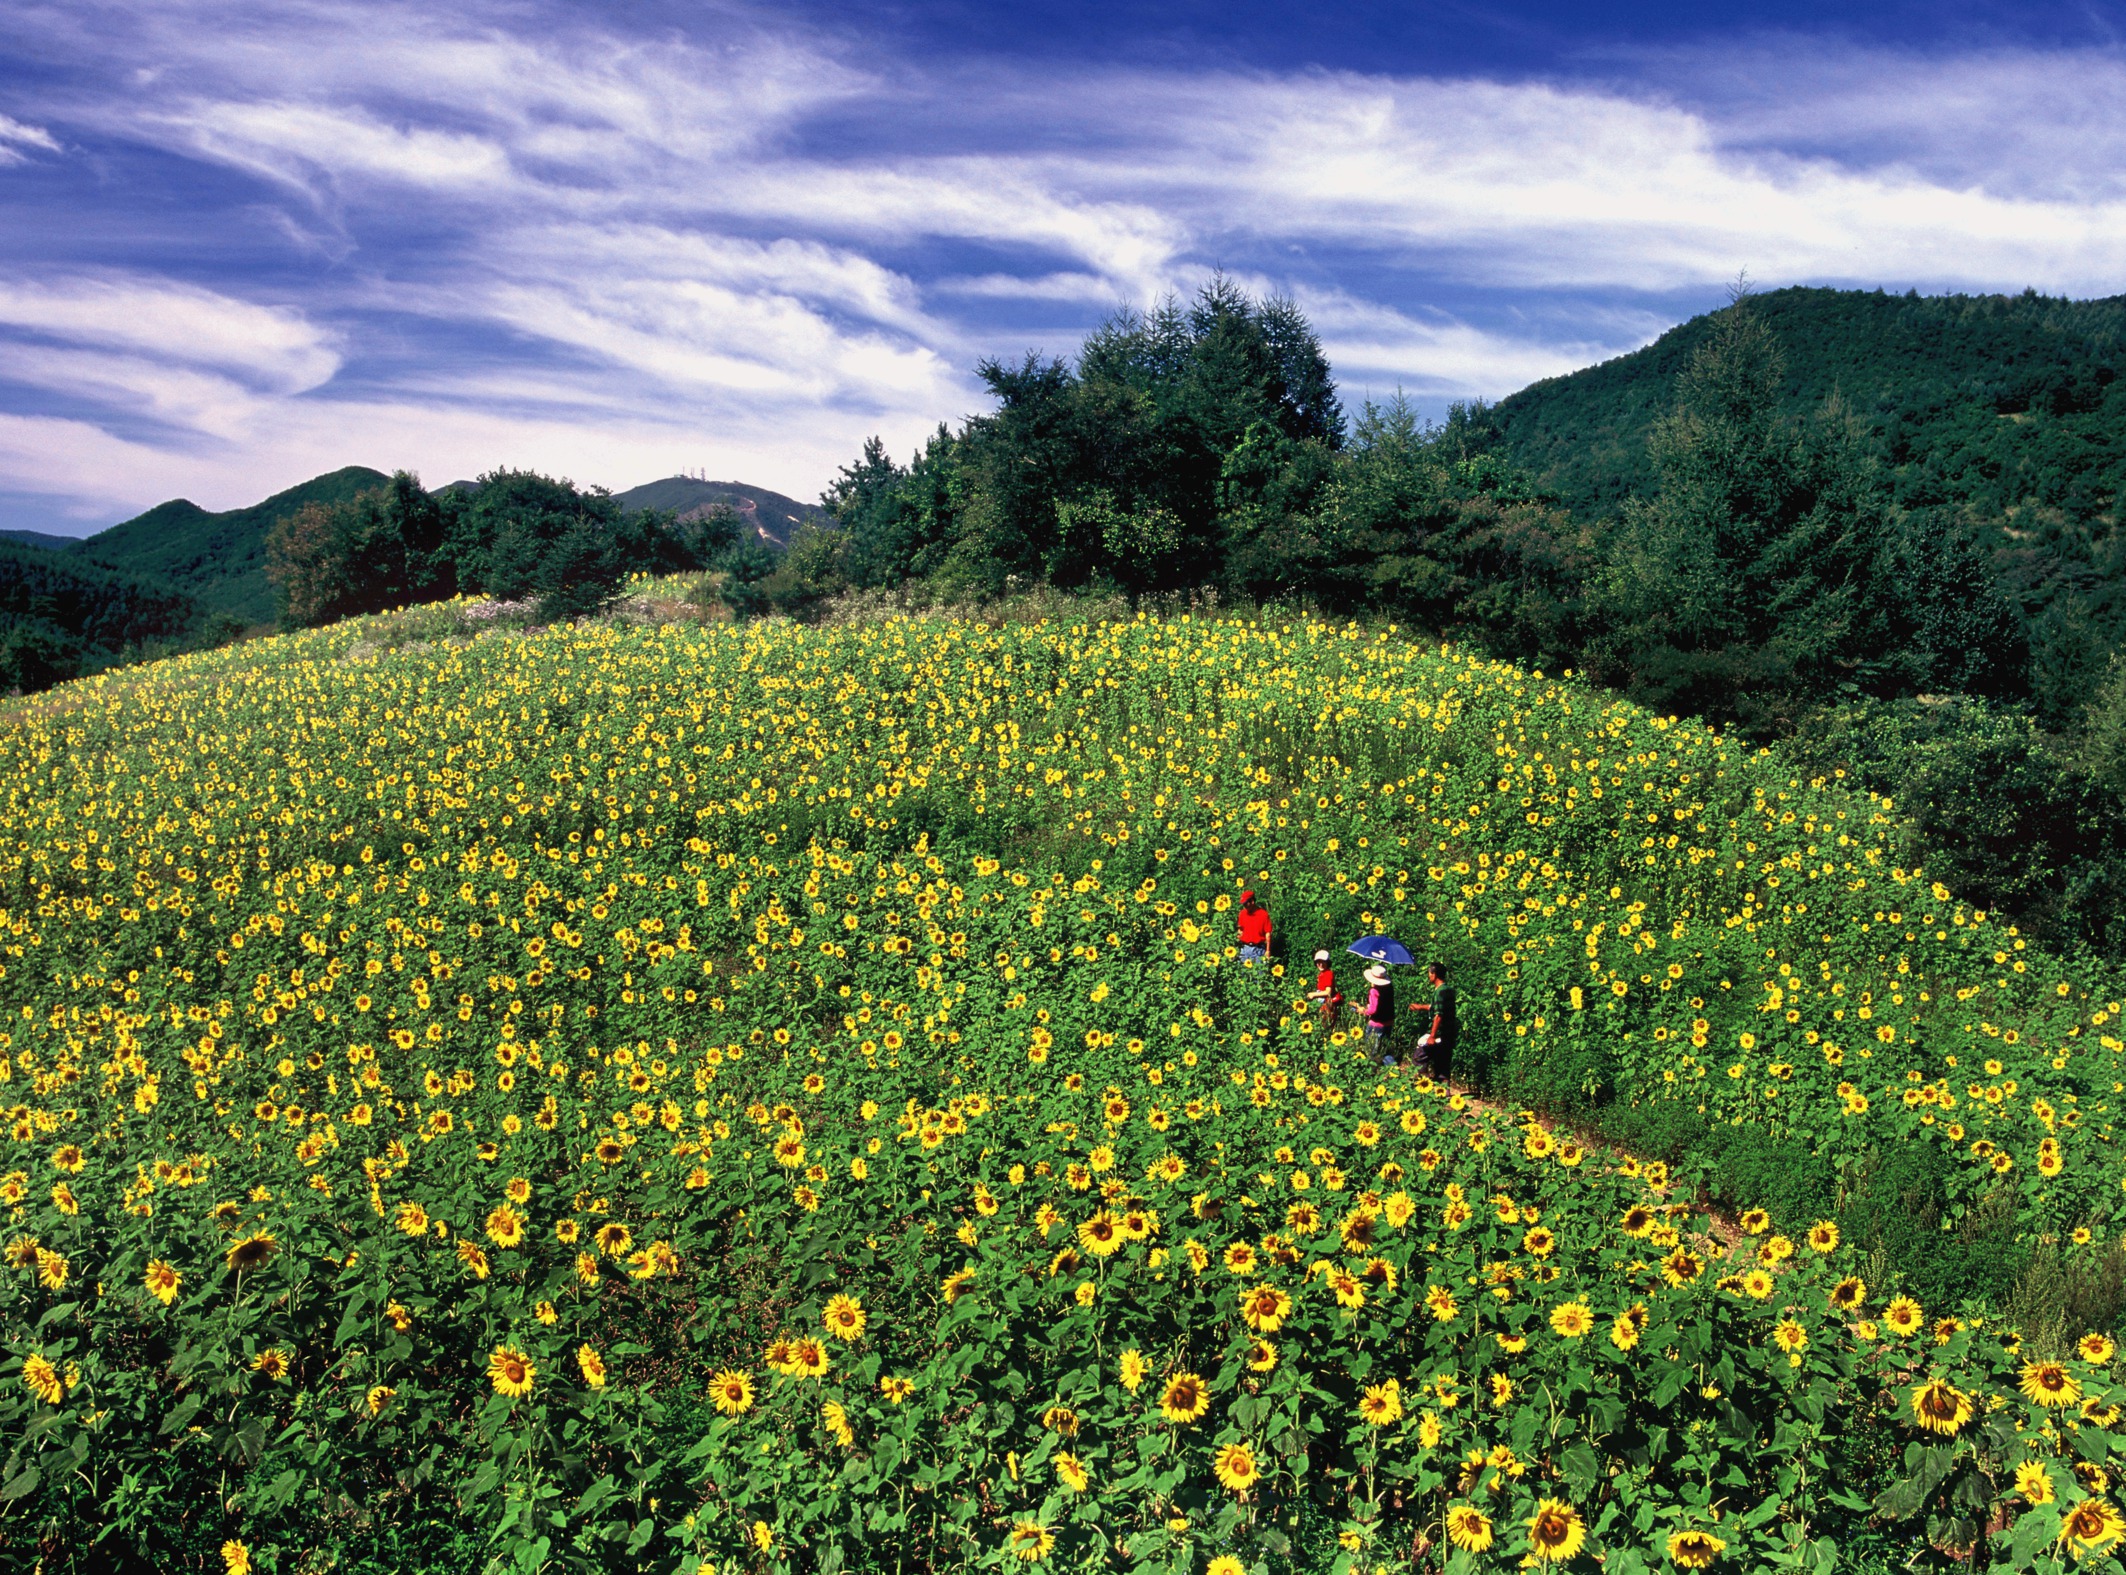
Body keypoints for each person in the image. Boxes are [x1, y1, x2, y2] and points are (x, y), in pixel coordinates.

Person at [1412, 961, 1458, 1080]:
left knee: (1419, 1058)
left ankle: (1422, 1082)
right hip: (1449, 1033)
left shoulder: (1438, 992)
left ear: (1434, 974)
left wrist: (1432, 1035)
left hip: (1439, 1034)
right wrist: (1421, 1007)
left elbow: (1439, 1015)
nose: (1428, 976)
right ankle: (1444, 1093)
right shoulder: (1448, 990)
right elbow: (1439, 1007)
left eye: (1429, 973)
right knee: (1442, 1064)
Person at [1362, 964, 1395, 1063]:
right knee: (1385, 1048)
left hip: (1376, 1024)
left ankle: (1371, 1070)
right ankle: (1392, 1069)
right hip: (1388, 1022)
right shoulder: (1389, 987)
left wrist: (1363, 1011)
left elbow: (1373, 1010)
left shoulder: (1374, 991)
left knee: (1372, 1050)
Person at [1236, 890, 1272, 965]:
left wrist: (1268, 951)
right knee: (1243, 974)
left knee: (1260, 974)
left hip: (1258, 950)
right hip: (1244, 949)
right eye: (1243, 904)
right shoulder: (1242, 914)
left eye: (1246, 903)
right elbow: (1240, 930)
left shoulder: (1263, 914)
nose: (1244, 906)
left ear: (1252, 901)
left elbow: (1268, 934)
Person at [1307, 949, 1342, 1022]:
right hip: (1324, 1004)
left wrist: (1313, 994)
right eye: (1318, 962)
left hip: (1328, 1005)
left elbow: (1328, 992)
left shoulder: (1328, 974)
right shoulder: (1322, 974)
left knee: (1325, 1026)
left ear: (1328, 963)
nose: (1321, 964)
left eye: (1323, 962)